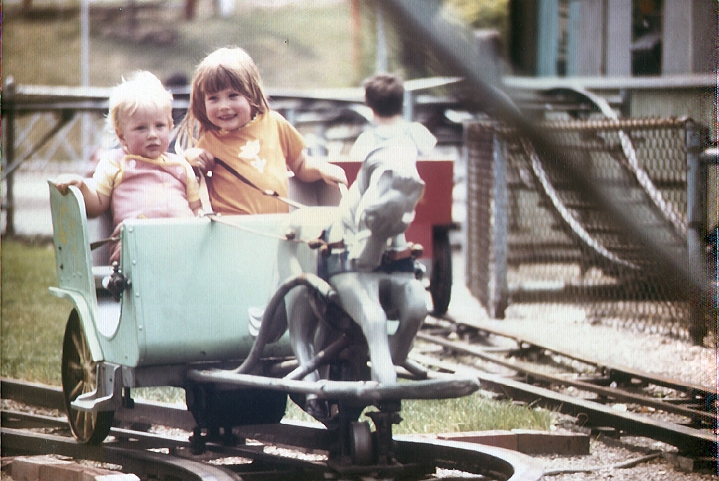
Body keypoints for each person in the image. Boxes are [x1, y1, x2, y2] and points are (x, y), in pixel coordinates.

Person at [175, 46, 347, 215]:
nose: (224, 106)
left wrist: (323, 169)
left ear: (251, 95)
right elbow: (192, 183)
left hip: (277, 227)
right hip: (234, 230)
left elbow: (301, 165)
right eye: (213, 99)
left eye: (233, 96)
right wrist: (189, 161)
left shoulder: (275, 123)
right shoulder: (209, 140)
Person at [54, 71, 202, 264]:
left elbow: (196, 208)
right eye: (141, 128)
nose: (152, 135)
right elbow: (97, 203)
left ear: (170, 125)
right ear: (121, 135)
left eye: (160, 126)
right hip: (136, 251)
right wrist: (81, 186)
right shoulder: (114, 162)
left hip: (183, 247)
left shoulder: (181, 165)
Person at [341, 72, 437, 268]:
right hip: (414, 200)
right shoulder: (416, 132)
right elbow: (433, 162)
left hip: (375, 206)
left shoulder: (366, 140)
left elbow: (355, 171)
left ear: (371, 107)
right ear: (402, 104)